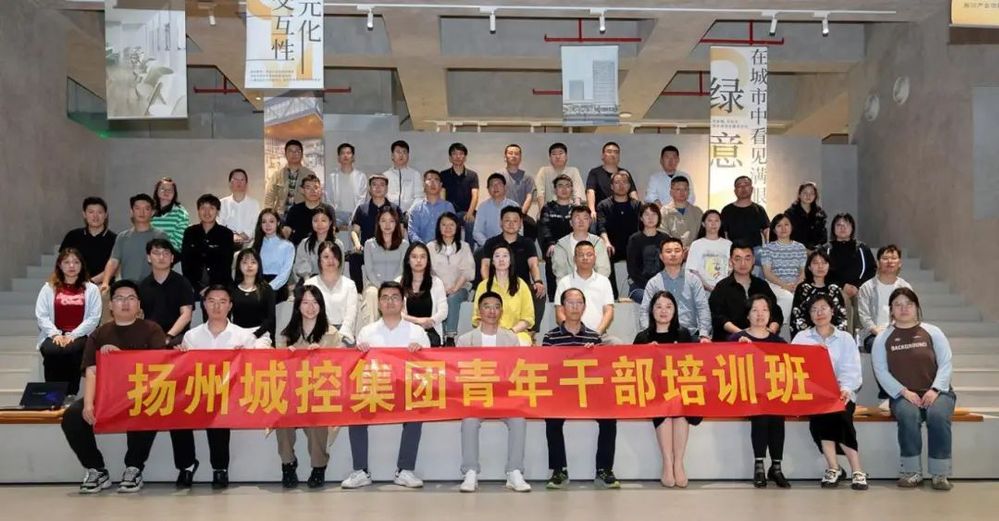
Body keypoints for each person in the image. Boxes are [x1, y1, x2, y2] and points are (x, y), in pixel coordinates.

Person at [60, 280, 170, 494]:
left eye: (131, 298)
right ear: (110, 305)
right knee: (72, 416)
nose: (125, 303)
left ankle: (134, 467)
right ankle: (96, 469)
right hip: (107, 395)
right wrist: (89, 403)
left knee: (146, 406)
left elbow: (158, 367)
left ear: (139, 304)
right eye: (119, 298)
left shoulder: (152, 329)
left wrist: (122, 357)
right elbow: (91, 371)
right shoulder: (100, 334)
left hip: (142, 392)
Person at [176, 284, 271, 489]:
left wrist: (246, 355)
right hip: (199, 392)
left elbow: (255, 365)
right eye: (211, 301)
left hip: (230, 394)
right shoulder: (192, 336)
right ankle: (186, 465)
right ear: (204, 305)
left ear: (230, 305)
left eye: (222, 302)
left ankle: (220, 468)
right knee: (176, 411)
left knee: (218, 407)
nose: (217, 306)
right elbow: (186, 371)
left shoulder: (243, 336)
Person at [341, 281, 430, 490]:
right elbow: (357, 370)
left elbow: (430, 368)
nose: (390, 301)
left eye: (395, 297)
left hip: (406, 391)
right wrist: (359, 353)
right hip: (376, 390)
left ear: (403, 302)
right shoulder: (367, 332)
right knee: (356, 410)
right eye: (385, 297)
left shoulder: (417, 332)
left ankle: (405, 470)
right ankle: (361, 471)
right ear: (379, 303)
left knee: (417, 409)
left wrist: (420, 353)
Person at [872, 287, 956, 491]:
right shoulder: (883, 338)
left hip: (938, 392)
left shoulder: (932, 331)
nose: (903, 308)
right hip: (903, 395)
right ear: (891, 310)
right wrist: (903, 392)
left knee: (937, 416)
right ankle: (911, 472)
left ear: (916, 307)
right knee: (908, 416)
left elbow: (946, 363)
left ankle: (940, 474)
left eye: (908, 304)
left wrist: (935, 390)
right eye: (898, 305)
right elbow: (880, 370)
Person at [542, 288, 618, 490]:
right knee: (552, 418)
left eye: (579, 303)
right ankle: (559, 470)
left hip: (588, 392)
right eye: (570, 303)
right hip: (561, 392)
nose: (574, 307)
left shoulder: (593, 337)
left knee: (609, 417)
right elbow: (546, 369)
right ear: (562, 307)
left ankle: (604, 469)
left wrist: (591, 355)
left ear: (584, 307)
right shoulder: (550, 337)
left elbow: (600, 371)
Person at [456, 291, 531, 493]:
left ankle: (514, 471)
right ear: (479, 311)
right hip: (476, 396)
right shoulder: (465, 340)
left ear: (501, 311)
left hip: (503, 397)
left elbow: (515, 371)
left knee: (518, 419)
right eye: (487, 306)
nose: (492, 311)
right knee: (469, 420)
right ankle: (470, 471)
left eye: (497, 307)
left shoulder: (511, 338)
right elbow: (459, 373)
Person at [791, 294, 866, 490]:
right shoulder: (802, 338)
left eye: (823, 308)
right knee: (822, 416)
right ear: (809, 315)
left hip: (842, 393)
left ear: (832, 311)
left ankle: (856, 469)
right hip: (814, 395)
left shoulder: (845, 338)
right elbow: (793, 368)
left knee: (840, 415)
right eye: (814, 310)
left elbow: (852, 370)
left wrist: (845, 389)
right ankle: (834, 467)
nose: (819, 313)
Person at [276, 285, 341, 489]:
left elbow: (340, 367)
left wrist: (323, 355)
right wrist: (286, 357)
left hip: (320, 395)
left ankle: (318, 466)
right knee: (281, 417)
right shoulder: (286, 334)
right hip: (292, 395)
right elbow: (276, 370)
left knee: (317, 417)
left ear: (321, 306)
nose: (310, 307)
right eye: (305, 302)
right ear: (298, 305)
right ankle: (288, 464)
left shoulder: (331, 334)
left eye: (315, 302)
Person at [633, 290, 700, 488]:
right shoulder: (643, 337)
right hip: (653, 391)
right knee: (664, 404)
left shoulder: (683, 334)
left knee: (679, 404)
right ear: (651, 311)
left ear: (675, 311)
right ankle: (667, 463)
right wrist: (647, 354)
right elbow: (631, 368)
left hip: (679, 390)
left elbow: (693, 365)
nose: (664, 311)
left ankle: (679, 462)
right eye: (659, 307)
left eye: (668, 307)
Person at [729, 294, 790, 489]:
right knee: (762, 411)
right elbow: (723, 367)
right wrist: (739, 350)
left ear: (770, 314)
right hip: (746, 395)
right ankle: (759, 465)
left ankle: (776, 467)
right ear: (747, 315)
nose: (760, 314)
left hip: (772, 394)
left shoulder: (778, 342)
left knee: (776, 413)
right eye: (754, 310)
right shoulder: (736, 339)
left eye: (764, 310)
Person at [35, 248, 101, 395]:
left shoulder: (91, 289)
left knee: (73, 350)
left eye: (76, 262)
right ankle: (52, 395)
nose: (71, 266)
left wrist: (74, 335)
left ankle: (71, 393)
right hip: (54, 334)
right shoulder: (48, 288)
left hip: (80, 334)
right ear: (60, 265)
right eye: (67, 262)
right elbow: (42, 316)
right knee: (52, 350)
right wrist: (55, 334)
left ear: (82, 265)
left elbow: (94, 318)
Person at [479, 207, 546, 334]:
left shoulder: (527, 243)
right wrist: (488, 283)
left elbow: (533, 264)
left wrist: (538, 281)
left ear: (520, 224)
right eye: (507, 220)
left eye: (515, 221)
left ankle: (531, 331)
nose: (511, 224)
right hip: (497, 284)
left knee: (539, 292)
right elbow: (485, 266)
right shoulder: (491, 242)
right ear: (501, 223)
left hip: (521, 286)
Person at [639, 238, 712, 341]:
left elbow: (703, 308)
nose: (673, 254)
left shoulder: (694, 280)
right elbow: (645, 311)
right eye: (668, 251)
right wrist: (648, 334)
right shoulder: (653, 283)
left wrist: (704, 334)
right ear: (661, 256)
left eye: (677, 251)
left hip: (690, 335)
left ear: (683, 255)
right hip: (660, 335)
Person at [709, 242, 783, 341]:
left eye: (747, 258)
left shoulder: (762, 285)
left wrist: (771, 330)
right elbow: (717, 317)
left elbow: (776, 312)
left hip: (761, 341)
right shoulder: (722, 287)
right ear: (731, 261)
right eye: (738, 259)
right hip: (729, 342)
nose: (743, 263)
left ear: (753, 260)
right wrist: (742, 334)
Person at [100, 193, 168, 290]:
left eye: (146, 209)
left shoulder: (160, 236)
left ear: (152, 212)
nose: (142, 212)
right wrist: (105, 282)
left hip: (153, 287)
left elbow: (165, 262)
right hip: (128, 287)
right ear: (131, 212)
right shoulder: (122, 237)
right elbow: (113, 261)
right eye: (137, 208)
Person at [427, 212, 474, 346]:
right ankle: (437, 335)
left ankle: (450, 337)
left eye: (451, 225)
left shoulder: (464, 247)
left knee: (452, 298)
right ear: (438, 227)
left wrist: (454, 288)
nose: (447, 228)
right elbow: (427, 271)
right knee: (438, 298)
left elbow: (468, 272)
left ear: (457, 227)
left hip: (460, 288)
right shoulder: (430, 247)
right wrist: (441, 289)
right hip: (437, 288)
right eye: (444, 224)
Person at [824, 213, 877, 333]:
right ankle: (846, 336)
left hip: (859, 288)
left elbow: (871, 270)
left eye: (846, 225)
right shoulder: (826, 249)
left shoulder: (862, 248)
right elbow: (825, 273)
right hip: (836, 288)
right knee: (843, 300)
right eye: (839, 225)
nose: (842, 228)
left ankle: (861, 335)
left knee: (862, 298)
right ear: (833, 228)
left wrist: (857, 286)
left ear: (852, 228)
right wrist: (842, 286)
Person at [348, 173, 401, 292]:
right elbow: (354, 231)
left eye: (382, 185)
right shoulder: (362, 209)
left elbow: (400, 231)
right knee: (354, 257)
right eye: (374, 184)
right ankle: (359, 292)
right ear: (369, 188)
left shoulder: (394, 208)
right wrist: (357, 244)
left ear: (386, 188)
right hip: (367, 249)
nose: (378, 187)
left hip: (389, 248)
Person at [472, 244, 534, 346]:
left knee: (521, 343)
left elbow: (528, 318)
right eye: (497, 256)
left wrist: (509, 333)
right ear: (492, 261)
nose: (501, 259)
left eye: (505, 256)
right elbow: (477, 318)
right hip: (489, 333)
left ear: (510, 260)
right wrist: (494, 333)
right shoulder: (483, 286)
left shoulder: (521, 285)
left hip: (516, 333)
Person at [137, 239, 196, 347]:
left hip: (177, 337)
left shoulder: (182, 283)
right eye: (156, 253)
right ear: (149, 258)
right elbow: (139, 316)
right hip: (151, 337)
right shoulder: (142, 286)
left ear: (172, 258)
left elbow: (186, 315)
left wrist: (168, 336)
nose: (161, 257)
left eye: (166, 253)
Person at [181, 194, 235, 303]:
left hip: (220, 285)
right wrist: (197, 288)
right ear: (198, 211)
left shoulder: (226, 234)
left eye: (211, 208)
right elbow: (185, 264)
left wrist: (212, 288)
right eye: (203, 208)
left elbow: (226, 264)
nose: (207, 212)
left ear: (217, 211)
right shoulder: (190, 232)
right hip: (194, 285)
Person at [553, 241, 615, 338]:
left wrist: (596, 334)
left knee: (615, 343)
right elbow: (559, 313)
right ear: (574, 259)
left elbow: (609, 311)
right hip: (571, 336)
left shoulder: (604, 281)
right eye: (581, 255)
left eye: (589, 255)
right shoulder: (564, 282)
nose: (585, 258)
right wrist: (573, 333)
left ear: (595, 258)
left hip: (598, 335)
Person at [596, 170, 641, 298]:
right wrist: (606, 242)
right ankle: (612, 295)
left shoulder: (637, 205)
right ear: (611, 186)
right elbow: (601, 227)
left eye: (624, 182)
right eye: (617, 182)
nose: (621, 185)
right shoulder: (603, 205)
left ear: (629, 186)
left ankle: (637, 290)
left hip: (632, 245)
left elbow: (642, 229)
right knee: (604, 253)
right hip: (612, 245)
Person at [858, 244, 911, 352]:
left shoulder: (905, 287)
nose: (889, 261)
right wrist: (876, 330)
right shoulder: (867, 287)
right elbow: (864, 316)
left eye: (894, 258)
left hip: (899, 332)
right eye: (885, 258)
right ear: (878, 263)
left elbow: (911, 313)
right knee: (880, 345)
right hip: (873, 335)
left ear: (899, 263)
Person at [361, 206, 409, 324]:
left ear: (396, 223)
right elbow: (369, 271)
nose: (387, 225)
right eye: (383, 220)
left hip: (397, 285)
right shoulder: (369, 244)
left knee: (400, 297)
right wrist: (382, 288)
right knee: (372, 294)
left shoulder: (404, 245)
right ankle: (370, 332)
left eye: (391, 221)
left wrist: (392, 287)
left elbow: (402, 270)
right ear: (378, 223)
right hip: (374, 285)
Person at [304, 241, 359, 346]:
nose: (330, 261)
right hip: (316, 333)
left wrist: (339, 337)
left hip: (343, 334)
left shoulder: (349, 284)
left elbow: (351, 315)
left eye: (334, 257)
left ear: (340, 260)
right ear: (319, 260)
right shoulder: (310, 284)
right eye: (326, 257)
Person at [760, 213, 807, 325]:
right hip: (774, 285)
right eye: (779, 226)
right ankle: (778, 326)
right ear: (774, 230)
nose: (783, 228)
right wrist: (784, 285)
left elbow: (803, 272)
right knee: (788, 298)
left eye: (786, 224)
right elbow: (767, 273)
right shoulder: (768, 248)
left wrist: (796, 285)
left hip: (796, 284)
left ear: (791, 227)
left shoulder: (800, 247)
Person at [789, 249, 847, 338]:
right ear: (809, 267)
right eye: (816, 263)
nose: (820, 266)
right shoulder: (802, 288)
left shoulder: (834, 289)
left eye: (824, 263)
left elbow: (841, 317)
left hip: (832, 337)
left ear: (829, 266)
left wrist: (831, 335)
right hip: (808, 337)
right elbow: (797, 317)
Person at [538, 174, 578, 301]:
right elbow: (545, 228)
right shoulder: (548, 208)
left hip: (574, 248)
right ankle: (554, 300)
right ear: (555, 190)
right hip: (554, 247)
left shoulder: (577, 209)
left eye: (567, 186)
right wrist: (550, 243)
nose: (564, 189)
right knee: (553, 256)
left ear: (572, 189)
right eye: (560, 186)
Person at [60, 196, 117, 284]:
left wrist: (90, 283)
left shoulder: (115, 239)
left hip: (103, 286)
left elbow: (115, 267)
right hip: (75, 284)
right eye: (91, 212)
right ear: (84, 214)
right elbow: (63, 262)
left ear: (106, 215)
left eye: (99, 212)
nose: (95, 216)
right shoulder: (73, 236)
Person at [400, 242, 447, 346]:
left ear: (428, 260)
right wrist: (418, 321)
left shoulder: (436, 282)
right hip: (406, 333)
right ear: (408, 260)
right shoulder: (398, 283)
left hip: (430, 332)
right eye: (414, 257)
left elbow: (443, 311)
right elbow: (396, 313)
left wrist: (432, 321)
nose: (418, 260)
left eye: (422, 257)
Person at [552, 205, 611, 281]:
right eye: (577, 218)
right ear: (571, 222)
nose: (581, 221)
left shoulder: (597, 242)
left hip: (594, 284)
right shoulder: (561, 245)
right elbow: (560, 272)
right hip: (569, 285)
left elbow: (603, 270)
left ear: (590, 222)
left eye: (585, 218)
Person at [626, 203, 668, 302]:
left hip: (663, 285)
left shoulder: (665, 238)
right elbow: (632, 269)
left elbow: (668, 265)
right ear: (641, 218)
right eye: (646, 214)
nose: (650, 218)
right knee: (652, 300)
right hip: (639, 286)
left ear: (659, 217)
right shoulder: (634, 239)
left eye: (654, 214)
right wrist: (650, 286)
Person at [231, 248, 276, 341]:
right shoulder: (232, 289)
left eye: (253, 262)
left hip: (261, 334)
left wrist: (255, 334)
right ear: (239, 266)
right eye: (245, 262)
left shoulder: (267, 289)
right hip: (237, 333)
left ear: (259, 265)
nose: (249, 266)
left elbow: (270, 318)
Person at [264, 139, 316, 219]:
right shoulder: (277, 175)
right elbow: (269, 197)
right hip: (281, 216)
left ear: (302, 154)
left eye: (297, 151)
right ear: (285, 154)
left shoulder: (309, 174)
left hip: (302, 216)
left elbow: (315, 196)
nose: (294, 154)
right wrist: (269, 217)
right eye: (290, 151)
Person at [293, 205, 345, 285]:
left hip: (331, 282)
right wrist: (309, 283)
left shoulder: (338, 244)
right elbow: (300, 266)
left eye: (323, 220)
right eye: (315, 220)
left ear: (330, 222)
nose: (319, 224)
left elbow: (339, 269)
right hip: (308, 281)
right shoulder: (305, 243)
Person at [252, 208, 295, 303]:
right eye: (264, 222)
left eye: (271, 221)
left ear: (278, 223)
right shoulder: (255, 245)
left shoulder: (288, 246)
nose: (267, 225)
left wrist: (267, 289)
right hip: (257, 285)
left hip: (278, 288)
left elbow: (285, 274)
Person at [586, 142, 637, 220]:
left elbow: (633, 193)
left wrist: (637, 210)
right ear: (602, 156)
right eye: (609, 152)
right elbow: (590, 191)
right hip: (601, 214)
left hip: (623, 212)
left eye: (616, 152)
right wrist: (592, 210)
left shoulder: (625, 173)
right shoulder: (595, 172)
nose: (613, 154)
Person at [440, 142, 479, 241]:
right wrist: (446, 214)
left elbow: (475, 196)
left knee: (470, 222)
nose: (458, 156)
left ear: (465, 157)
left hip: (467, 211)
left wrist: (470, 213)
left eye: (461, 154)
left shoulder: (472, 175)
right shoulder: (443, 174)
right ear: (450, 157)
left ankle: (468, 249)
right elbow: (442, 196)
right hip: (451, 212)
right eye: (454, 154)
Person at [498, 144, 538, 238]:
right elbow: (497, 196)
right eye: (510, 153)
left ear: (520, 157)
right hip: (500, 213)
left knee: (531, 225)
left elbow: (529, 197)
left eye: (516, 154)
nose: (513, 156)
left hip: (521, 214)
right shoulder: (498, 175)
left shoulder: (527, 177)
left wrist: (520, 214)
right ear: (505, 157)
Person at [686, 210, 731, 292]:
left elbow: (732, 268)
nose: (713, 224)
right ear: (703, 224)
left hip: (725, 289)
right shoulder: (696, 244)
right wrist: (709, 288)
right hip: (702, 290)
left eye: (716, 221)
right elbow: (692, 270)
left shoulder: (728, 244)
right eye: (710, 221)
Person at [407, 169, 455, 244]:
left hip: (444, 247)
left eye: (436, 179)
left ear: (441, 185)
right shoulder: (416, 208)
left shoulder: (448, 207)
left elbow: (453, 230)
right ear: (424, 185)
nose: (432, 182)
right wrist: (423, 247)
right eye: (429, 179)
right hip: (422, 248)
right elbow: (412, 232)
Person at [721, 176, 769, 250]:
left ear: (752, 189)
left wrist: (769, 248)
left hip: (755, 251)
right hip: (734, 250)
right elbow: (724, 233)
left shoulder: (759, 209)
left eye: (746, 185)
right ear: (735, 191)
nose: (743, 188)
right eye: (739, 186)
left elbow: (766, 231)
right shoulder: (727, 210)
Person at [471, 173, 519, 249]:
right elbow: (477, 232)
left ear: (505, 187)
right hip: (489, 246)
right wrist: (491, 246)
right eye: (492, 185)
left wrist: (508, 247)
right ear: (488, 190)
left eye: (498, 184)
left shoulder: (514, 206)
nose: (495, 187)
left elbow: (519, 230)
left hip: (510, 247)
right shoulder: (483, 207)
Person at [326, 142, 368, 224]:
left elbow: (362, 199)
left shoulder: (361, 176)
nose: (345, 156)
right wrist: (334, 216)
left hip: (356, 216)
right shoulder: (332, 177)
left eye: (348, 153)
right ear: (338, 158)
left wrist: (355, 216)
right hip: (336, 217)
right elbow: (328, 199)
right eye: (342, 153)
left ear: (353, 157)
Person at [284, 174, 333, 246]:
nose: (313, 191)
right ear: (302, 190)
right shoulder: (295, 209)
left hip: (322, 248)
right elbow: (287, 230)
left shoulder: (328, 209)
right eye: (308, 188)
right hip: (298, 248)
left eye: (316, 187)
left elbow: (332, 232)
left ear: (320, 190)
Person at [218, 168, 261, 248]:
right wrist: (233, 235)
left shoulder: (254, 204)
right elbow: (219, 224)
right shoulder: (222, 203)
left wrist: (243, 236)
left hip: (248, 246)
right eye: (235, 179)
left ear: (246, 183)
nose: (239, 182)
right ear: (230, 183)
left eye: (242, 180)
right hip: (227, 244)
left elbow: (256, 224)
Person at [659, 176, 703, 250]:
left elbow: (702, 235)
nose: (682, 192)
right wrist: (678, 249)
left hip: (694, 251)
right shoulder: (664, 212)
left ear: (689, 192)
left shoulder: (697, 212)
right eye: (678, 189)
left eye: (685, 189)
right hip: (672, 252)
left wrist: (691, 248)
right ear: (671, 192)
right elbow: (663, 235)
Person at [534, 142, 585, 207]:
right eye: (554, 154)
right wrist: (542, 210)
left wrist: (577, 210)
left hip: (570, 208)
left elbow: (577, 193)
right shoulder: (543, 171)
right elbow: (540, 193)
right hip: (549, 208)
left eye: (561, 153)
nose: (557, 157)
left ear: (566, 156)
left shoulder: (574, 171)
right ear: (550, 158)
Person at [150, 177, 190, 253]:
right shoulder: (149, 211)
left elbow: (179, 241)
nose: (166, 192)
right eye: (163, 188)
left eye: (170, 190)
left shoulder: (181, 213)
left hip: (172, 254)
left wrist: (162, 251)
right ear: (156, 191)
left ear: (174, 194)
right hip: (149, 254)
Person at [785, 182, 827, 251]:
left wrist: (815, 249)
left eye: (812, 193)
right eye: (805, 193)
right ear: (799, 195)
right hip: (795, 251)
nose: (808, 196)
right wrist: (804, 250)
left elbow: (823, 237)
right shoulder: (790, 213)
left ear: (815, 196)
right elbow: (788, 235)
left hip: (815, 252)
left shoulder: (820, 214)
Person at [382, 139, 422, 213]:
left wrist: (409, 212)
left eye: (404, 152)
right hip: (390, 214)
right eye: (398, 152)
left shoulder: (415, 174)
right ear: (392, 156)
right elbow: (383, 197)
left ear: (408, 156)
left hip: (410, 214)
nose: (401, 155)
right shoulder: (385, 175)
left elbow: (419, 197)